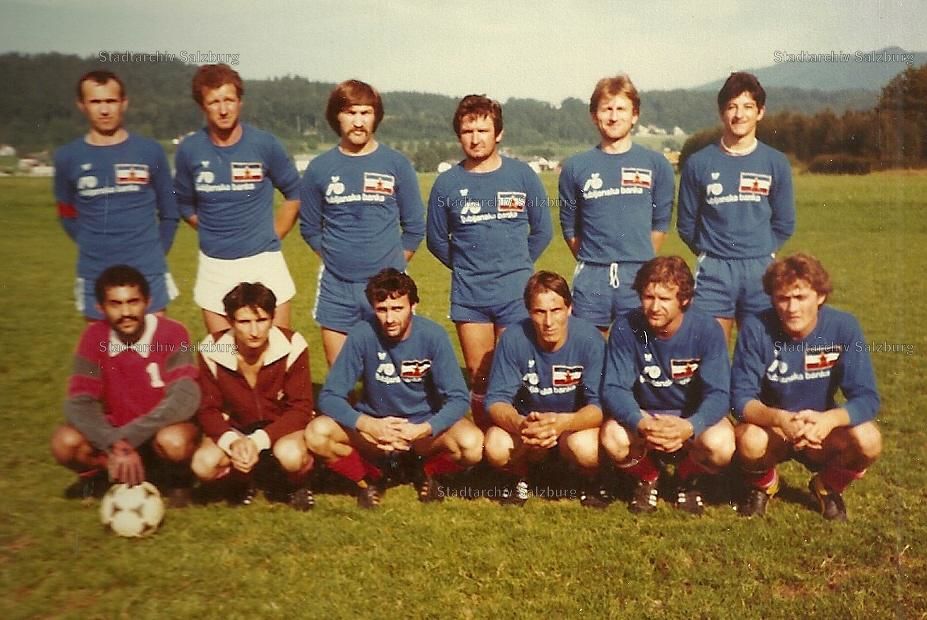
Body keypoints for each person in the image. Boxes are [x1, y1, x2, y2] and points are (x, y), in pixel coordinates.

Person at [426, 94, 552, 429]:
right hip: (471, 296)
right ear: (459, 135)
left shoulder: (522, 175)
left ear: (499, 133)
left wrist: (517, 264)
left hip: (516, 294)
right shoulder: (446, 184)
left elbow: (543, 231)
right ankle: (486, 444)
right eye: (468, 131)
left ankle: (521, 445)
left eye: (483, 130)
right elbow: (436, 241)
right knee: (480, 376)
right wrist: (468, 266)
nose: (475, 138)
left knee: (517, 374)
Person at [306, 269, 482, 508]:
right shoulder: (362, 333)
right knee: (317, 433)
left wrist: (422, 429)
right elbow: (329, 396)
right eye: (382, 309)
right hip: (375, 431)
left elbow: (459, 398)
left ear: (413, 306)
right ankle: (369, 479)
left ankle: (427, 473)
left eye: (397, 308)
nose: (390, 318)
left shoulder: (433, 335)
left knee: (472, 443)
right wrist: (369, 425)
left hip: (421, 430)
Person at [732, 254, 881, 521]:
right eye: (783, 298)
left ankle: (827, 486)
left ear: (820, 296)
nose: (792, 308)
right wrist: (780, 418)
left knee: (869, 439)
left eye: (800, 297)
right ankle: (764, 485)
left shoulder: (844, 326)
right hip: (774, 429)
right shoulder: (756, 327)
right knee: (749, 440)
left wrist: (829, 420)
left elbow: (867, 397)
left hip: (820, 429)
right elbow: (741, 400)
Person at [299, 79, 426, 367]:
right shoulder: (319, 168)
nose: (358, 122)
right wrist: (336, 259)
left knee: (391, 375)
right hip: (337, 287)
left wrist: (392, 266)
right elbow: (309, 228)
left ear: (376, 117)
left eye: (366, 113)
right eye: (350, 112)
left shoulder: (396, 163)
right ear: (337, 116)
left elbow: (415, 227)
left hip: (388, 289)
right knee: (340, 377)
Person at [50, 265, 200, 503]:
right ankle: (102, 476)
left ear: (148, 302)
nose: (126, 312)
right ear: (100, 308)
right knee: (64, 442)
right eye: (115, 304)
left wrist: (127, 439)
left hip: (157, 432)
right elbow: (80, 400)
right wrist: (113, 442)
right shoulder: (94, 340)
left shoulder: (171, 334)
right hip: (115, 436)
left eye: (133, 302)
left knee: (175, 441)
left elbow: (185, 396)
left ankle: (177, 480)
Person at [601, 257, 734, 515]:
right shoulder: (626, 327)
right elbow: (614, 388)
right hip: (646, 415)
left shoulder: (707, 329)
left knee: (722, 445)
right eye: (648, 297)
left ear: (684, 299)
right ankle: (649, 477)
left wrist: (690, 425)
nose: (654, 307)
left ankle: (687, 477)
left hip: (688, 417)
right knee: (612, 438)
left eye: (664, 299)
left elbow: (719, 393)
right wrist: (641, 423)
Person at [174, 64, 301, 333]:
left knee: (279, 346)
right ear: (202, 106)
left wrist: (274, 234)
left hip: (264, 260)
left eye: (229, 100)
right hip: (215, 264)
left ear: (240, 102)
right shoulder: (189, 149)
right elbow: (184, 204)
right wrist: (214, 230)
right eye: (214, 102)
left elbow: (295, 192)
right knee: (223, 351)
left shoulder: (264, 144)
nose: (223, 109)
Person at [677, 71, 795, 344]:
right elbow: (686, 224)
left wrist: (761, 250)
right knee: (709, 350)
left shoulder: (775, 162)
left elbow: (784, 222)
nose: (739, 115)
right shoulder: (698, 163)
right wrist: (711, 251)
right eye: (732, 106)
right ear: (722, 113)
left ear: (760, 112)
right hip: (714, 271)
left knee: (761, 352)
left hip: (760, 270)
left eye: (748, 106)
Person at [54, 70, 180, 320]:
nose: (104, 110)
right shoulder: (67, 156)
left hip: (147, 270)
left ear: (124, 103)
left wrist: (155, 252)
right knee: (100, 345)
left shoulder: (150, 151)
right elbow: (66, 213)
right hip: (95, 272)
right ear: (81, 105)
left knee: (154, 343)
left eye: (111, 101)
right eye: (95, 102)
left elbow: (170, 212)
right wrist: (93, 244)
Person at [558, 75, 675, 331]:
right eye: (606, 109)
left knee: (637, 349)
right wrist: (596, 259)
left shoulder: (656, 164)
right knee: (589, 350)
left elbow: (661, 223)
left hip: (638, 274)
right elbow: (569, 226)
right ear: (594, 115)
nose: (613, 117)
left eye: (621, 109)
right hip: (592, 277)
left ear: (634, 115)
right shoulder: (575, 167)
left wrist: (636, 258)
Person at [483, 271, 606, 507]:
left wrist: (563, 423)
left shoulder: (590, 339)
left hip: (572, 427)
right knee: (496, 446)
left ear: (569, 309)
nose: (548, 322)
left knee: (587, 448)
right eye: (540, 312)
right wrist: (521, 424)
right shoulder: (513, 338)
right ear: (529, 312)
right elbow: (496, 401)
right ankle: (519, 476)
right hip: (530, 426)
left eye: (556, 310)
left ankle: (588, 479)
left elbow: (599, 407)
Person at [192, 282, 315, 510]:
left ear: (273, 317)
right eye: (244, 322)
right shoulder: (213, 348)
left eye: (261, 320)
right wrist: (232, 441)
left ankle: (297, 483)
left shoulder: (292, 344)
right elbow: (208, 409)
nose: (254, 331)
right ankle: (242, 480)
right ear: (230, 321)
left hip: (281, 428)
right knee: (203, 464)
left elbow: (301, 408)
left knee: (291, 455)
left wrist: (258, 441)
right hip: (237, 428)